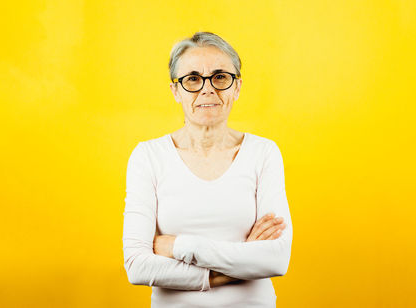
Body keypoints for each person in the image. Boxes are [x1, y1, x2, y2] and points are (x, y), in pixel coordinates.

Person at [122, 31, 293, 308]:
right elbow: (138, 266)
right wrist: (244, 260)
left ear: (236, 87)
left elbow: (276, 259)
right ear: (175, 90)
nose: (207, 89)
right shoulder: (148, 156)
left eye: (220, 77)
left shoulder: (264, 153)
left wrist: (180, 247)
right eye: (192, 79)